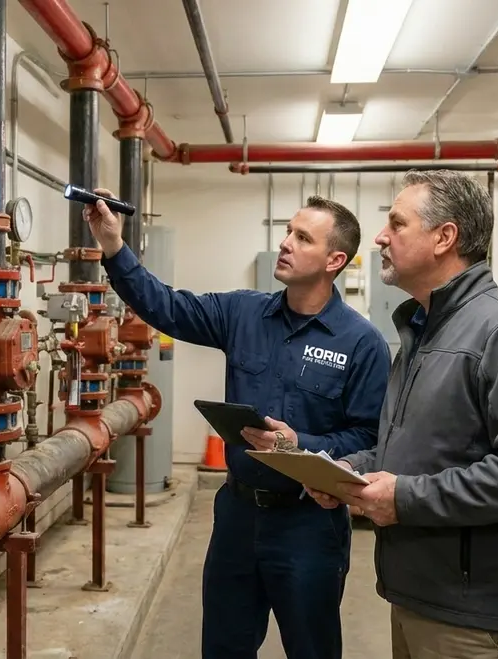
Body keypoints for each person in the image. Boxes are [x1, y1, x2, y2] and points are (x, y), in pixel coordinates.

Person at [83, 188, 391, 659]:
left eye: (302, 237)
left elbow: (369, 436)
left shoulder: (362, 342)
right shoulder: (243, 312)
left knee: (312, 649)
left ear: (335, 261)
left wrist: (297, 443)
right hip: (237, 517)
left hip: (309, 524)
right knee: (224, 647)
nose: (286, 242)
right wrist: (113, 247)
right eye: (287, 231)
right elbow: (165, 305)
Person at [306, 169, 498, 659]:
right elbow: (422, 449)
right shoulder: (424, 332)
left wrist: (406, 499)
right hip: (421, 595)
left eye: (397, 223)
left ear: (444, 237)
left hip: (477, 618)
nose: (381, 237)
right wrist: (352, 473)